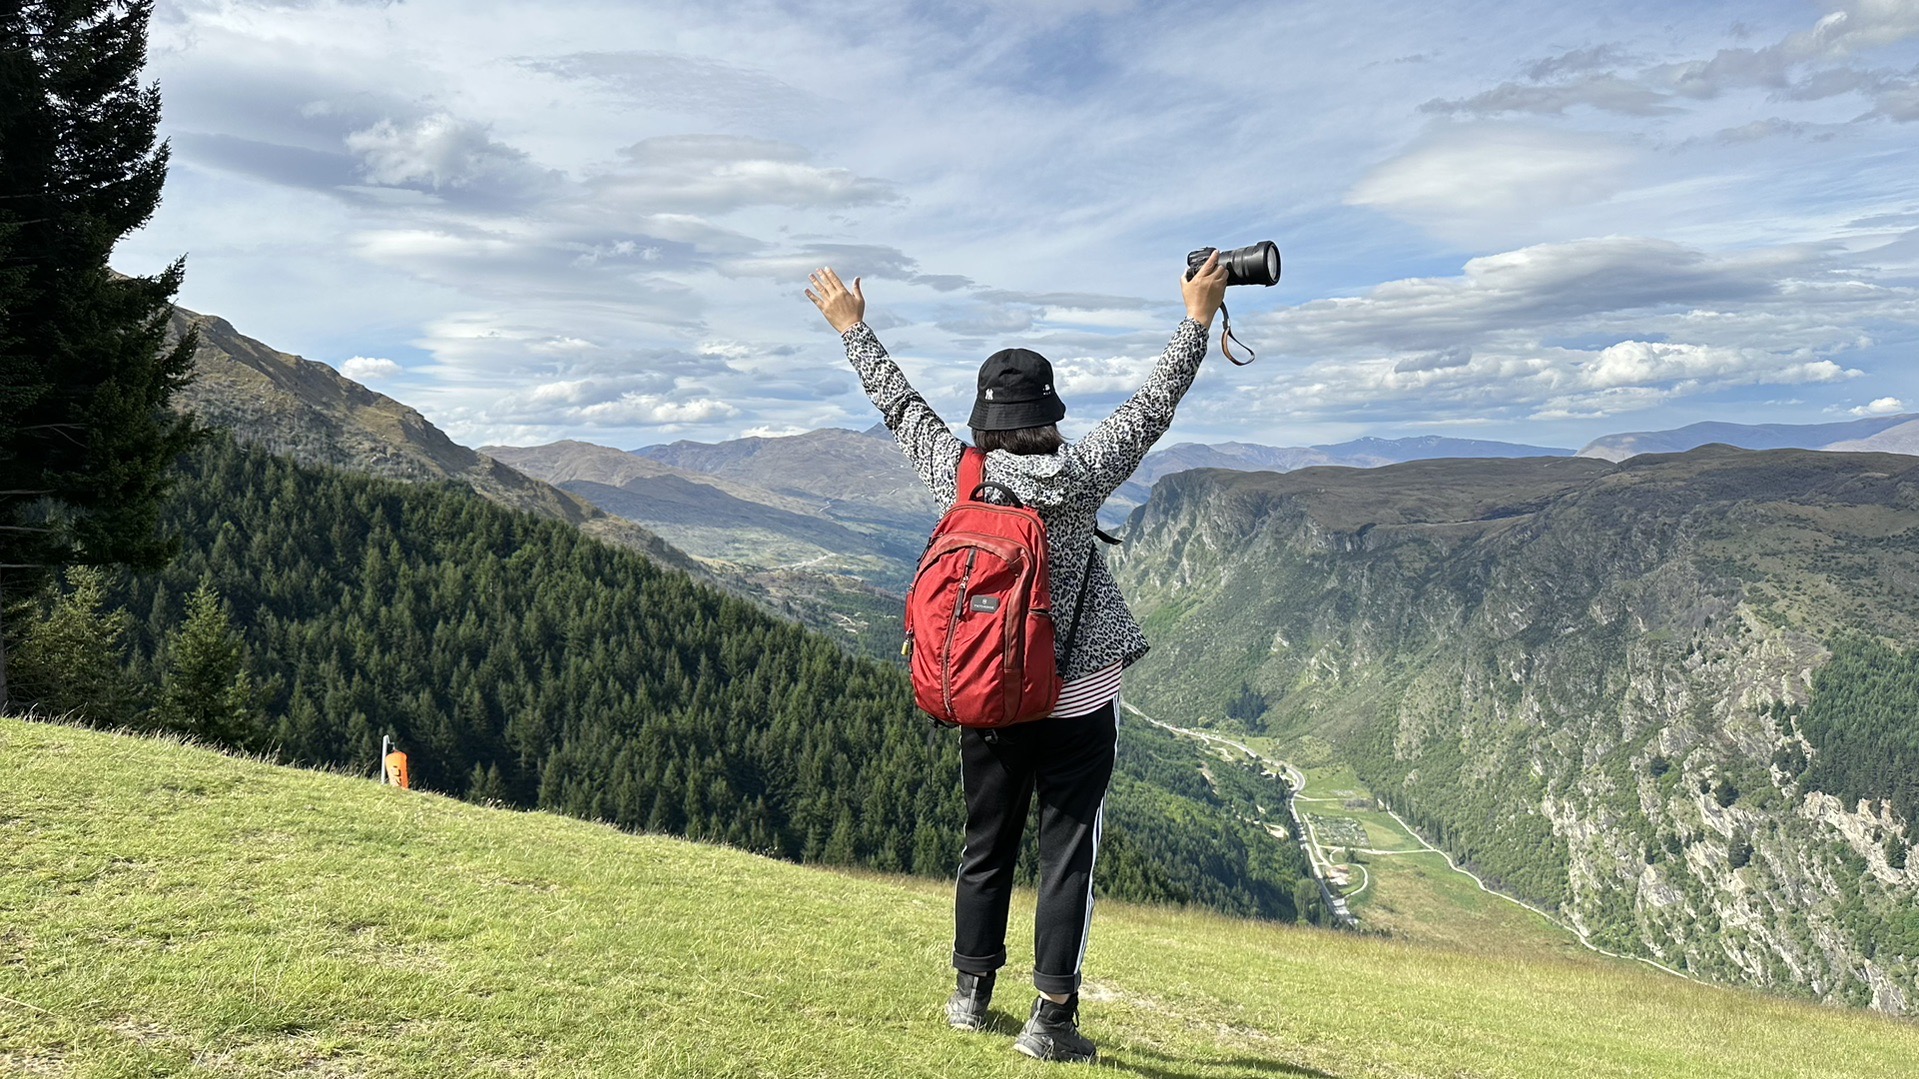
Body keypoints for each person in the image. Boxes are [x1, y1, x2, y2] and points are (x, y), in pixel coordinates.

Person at [806, 253, 1229, 1064]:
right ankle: (1052, 1018)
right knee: (1066, 853)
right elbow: (1151, 408)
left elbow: (899, 407)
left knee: (985, 842)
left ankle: (970, 994)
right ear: (1050, 412)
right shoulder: (1078, 473)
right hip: (1075, 699)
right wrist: (1196, 318)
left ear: (983, 420)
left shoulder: (958, 472)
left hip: (987, 692)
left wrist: (853, 329)